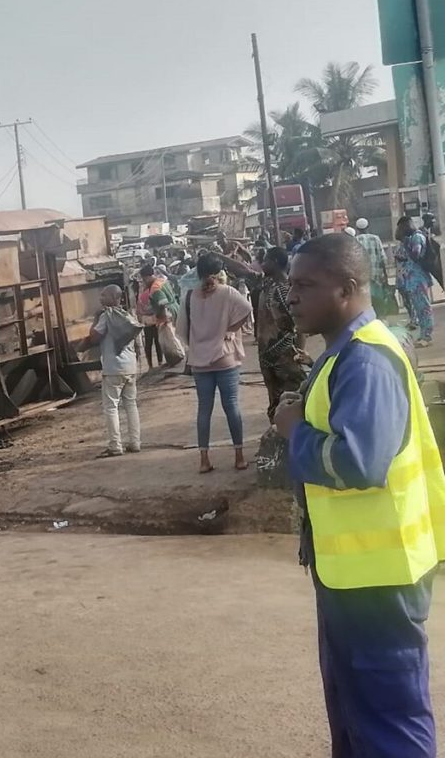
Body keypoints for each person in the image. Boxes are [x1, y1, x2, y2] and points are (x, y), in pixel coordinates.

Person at [273, 233, 445, 757]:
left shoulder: (367, 361)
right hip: (354, 572)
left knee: (389, 717)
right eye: (289, 286)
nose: (292, 297)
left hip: (380, 577)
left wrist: (294, 430)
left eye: (305, 285)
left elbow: (360, 462)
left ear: (346, 289)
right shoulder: (346, 353)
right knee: (356, 711)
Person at [176, 252, 253, 473]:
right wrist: (230, 330)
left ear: (198, 272)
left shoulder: (189, 297)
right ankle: (239, 457)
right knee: (232, 407)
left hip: (200, 361)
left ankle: (204, 460)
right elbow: (247, 310)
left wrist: (198, 341)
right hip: (225, 358)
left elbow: (181, 329)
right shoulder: (227, 292)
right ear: (220, 272)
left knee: (204, 410)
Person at [80, 285, 141, 457]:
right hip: (130, 366)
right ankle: (135, 443)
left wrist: (95, 320)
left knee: (111, 407)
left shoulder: (107, 316)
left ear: (114, 298)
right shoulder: (128, 316)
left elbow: (94, 337)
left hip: (113, 367)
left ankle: (115, 446)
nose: (100, 298)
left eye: (104, 295)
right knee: (131, 405)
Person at [256, 247, 306, 421]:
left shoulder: (285, 290)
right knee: (275, 402)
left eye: (266, 260)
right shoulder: (269, 285)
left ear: (275, 263)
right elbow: (242, 270)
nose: (262, 264)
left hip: (285, 355)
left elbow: (299, 326)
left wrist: (299, 353)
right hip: (268, 355)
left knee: (294, 400)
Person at [395, 216, 434, 347]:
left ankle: (427, 336)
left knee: (423, 307)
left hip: (418, 277)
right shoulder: (411, 238)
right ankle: (423, 334)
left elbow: (416, 255)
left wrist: (406, 245)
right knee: (418, 307)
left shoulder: (417, 237)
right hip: (412, 279)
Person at [138, 265, 183, 365]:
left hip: (167, 312)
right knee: (171, 336)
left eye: (144, 279)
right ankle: (173, 358)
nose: (144, 281)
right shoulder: (162, 281)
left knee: (167, 338)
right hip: (174, 308)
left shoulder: (155, 288)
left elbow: (162, 303)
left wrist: (161, 318)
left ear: (147, 277)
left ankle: (175, 358)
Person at [354, 217, 392, 317]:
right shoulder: (375, 238)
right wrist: (385, 276)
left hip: (362, 277)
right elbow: (383, 258)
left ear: (357, 229)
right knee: (378, 301)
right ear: (368, 227)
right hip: (376, 276)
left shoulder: (355, 240)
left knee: (365, 302)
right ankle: (381, 320)